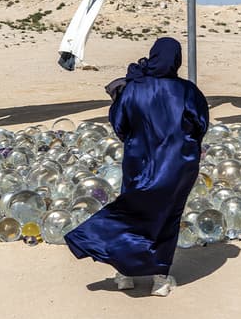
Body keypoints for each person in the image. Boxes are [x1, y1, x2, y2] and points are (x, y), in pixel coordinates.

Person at [64, 37, 210, 296]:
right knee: (167, 216)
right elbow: (200, 125)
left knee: (131, 211)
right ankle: (160, 280)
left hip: (139, 161)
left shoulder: (133, 89)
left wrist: (139, 141)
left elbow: (120, 124)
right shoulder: (187, 91)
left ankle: (124, 274)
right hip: (177, 165)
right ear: (176, 60)